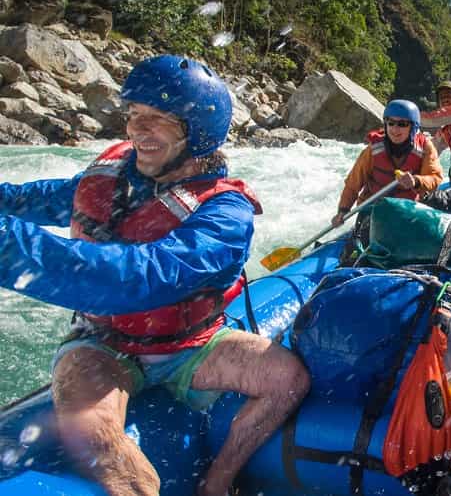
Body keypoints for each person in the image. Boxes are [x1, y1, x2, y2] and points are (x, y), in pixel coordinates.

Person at [0, 55, 310, 496]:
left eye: (157, 120)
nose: (136, 131)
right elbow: (39, 198)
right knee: (108, 454)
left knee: (289, 379)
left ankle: (219, 480)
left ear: (197, 132)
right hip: (100, 346)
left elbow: (143, 278)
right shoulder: (116, 173)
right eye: (133, 117)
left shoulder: (225, 213)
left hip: (191, 345)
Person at [333, 99, 443, 259]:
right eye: (391, 123)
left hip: (405, 211)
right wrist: (342, 211)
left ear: (413, 127)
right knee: (356, 255)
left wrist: (417, 181)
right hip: (373, 210)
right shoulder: (373, 150)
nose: (395, 129)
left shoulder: (425, 148)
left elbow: (435, 178)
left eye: (402, 124)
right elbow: (352, 184)